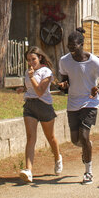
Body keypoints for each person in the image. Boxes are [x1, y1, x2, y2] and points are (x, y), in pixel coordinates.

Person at [56, 27, 99, 185]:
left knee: (84, 135)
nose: (71, 48)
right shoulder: (64, 60)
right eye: (69, 45)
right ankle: (87, 148)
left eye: (74, 45)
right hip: (73, 102)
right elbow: (65, 79)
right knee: (75, 140)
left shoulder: (93, 61)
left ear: (81, 44)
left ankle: (88, 172)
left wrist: (98, 88)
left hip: (90, 102)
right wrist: (63, 85)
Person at [16, 47, 63, 183]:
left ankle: (57, 157)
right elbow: (30, 87)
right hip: (30, 106)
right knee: (31, 138)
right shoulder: (28, 72)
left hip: (44, 106)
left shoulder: (46, 72)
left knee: (51, 137)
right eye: (29, 60)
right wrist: (23, 88)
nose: (31, 62)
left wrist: (31, 77)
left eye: (33, 59)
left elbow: (40, 91)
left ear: (40, 58)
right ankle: (28, 170)